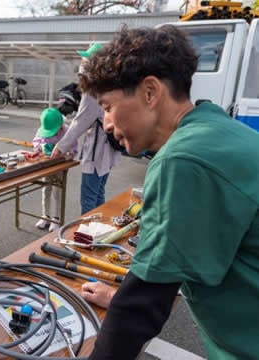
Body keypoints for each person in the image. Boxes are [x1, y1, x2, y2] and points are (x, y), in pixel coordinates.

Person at [79, 25, 259, 359]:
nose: (105, 123)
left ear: (150, 92)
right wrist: (121, 296)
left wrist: (126, 302)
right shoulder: (216, 130)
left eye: (107, 106)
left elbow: (144, 302)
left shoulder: (182, 159)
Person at [51, 43, 121, 215]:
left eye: (85, 60)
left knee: (89, 198)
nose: (81, 64)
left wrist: (60, 147)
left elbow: (79, 123)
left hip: (98, 152)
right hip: (109, 149)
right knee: (98, 194)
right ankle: (98, 231)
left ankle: (88, 236)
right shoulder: (111, 85)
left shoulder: (93, 92)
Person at [32, 107, 77, 232]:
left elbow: (74, 150)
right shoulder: (42, 129)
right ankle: (45, 216)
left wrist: (65, 155)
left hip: (59, 167)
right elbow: (36, 142)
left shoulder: (67, 131)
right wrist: (40, 148)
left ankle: (56, 219)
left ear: (60, 126)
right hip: (47, 166)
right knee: (45, 189)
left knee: (57, 191)